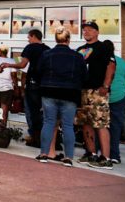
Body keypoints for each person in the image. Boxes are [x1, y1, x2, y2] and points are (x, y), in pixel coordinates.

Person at [35, 27, 86, 167]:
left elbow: (38, 72)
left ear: (56, 39)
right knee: (68, 125)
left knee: (48, 122)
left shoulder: (46, 54)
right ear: (68, 39)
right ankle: (68, 157)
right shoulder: (77, 56)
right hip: (70, 93)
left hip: (49, 91)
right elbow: (84, 76)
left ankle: (44, 154)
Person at [75, 21, 116, 170]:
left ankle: (106, 158)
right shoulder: (80, 50)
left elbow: (111, 66)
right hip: (82, 91)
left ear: (97, 32)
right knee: (86, 123)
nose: (86, 32)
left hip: (98, 92)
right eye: (84, 30)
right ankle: (91, 153)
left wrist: (106, 85)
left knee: (101, 124)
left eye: (90, 29)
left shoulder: (103, 47)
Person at [1, 28, 49, 147]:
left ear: (33, 36)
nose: (28, 40)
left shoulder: (30, 47)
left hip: (32, 84)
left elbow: (23, 64)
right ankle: (45, 138)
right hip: (45, 84)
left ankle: (34, 137)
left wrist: (8, 65)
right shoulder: (47, 49)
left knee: (31, 111)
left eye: (28, 37)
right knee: (43, 112)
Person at [104, 39, 125, 165]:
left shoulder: (100, 60)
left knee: (100, 126)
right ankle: (115, 155)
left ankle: (100, 153)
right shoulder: (122, 62)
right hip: (119, 97)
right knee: (115, 126)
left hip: (103, 96)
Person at [0, 45, 15, 126]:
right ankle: (3, 126)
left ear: (1, 51)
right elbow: (13, 75)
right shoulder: (11, 61)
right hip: (7, 87)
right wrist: (16, 86)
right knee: (4, 107)